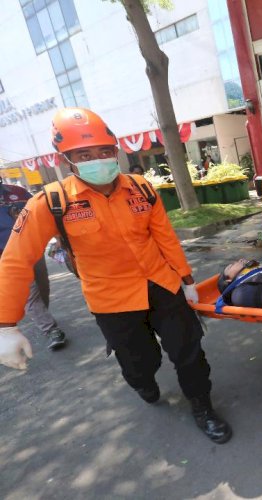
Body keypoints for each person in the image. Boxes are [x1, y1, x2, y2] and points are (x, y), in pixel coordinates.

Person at [0, 108, 232, 444]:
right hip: (111, 300)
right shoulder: (50, 201)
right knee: (141, 363)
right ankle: (142, 381)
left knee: (190, 352)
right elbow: (16, 260)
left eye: (104, 151)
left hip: (162, 285)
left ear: (115, 151)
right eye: (85, 154)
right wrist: (6, 325)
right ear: (67, 160)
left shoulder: (141, 188)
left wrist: (187, 279)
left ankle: (203, 407)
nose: (98, 159)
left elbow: (164, 236)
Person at [0, 178, 66, 351]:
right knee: (31, 292)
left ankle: (42, 315)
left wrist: (58, 236)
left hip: (32, 249)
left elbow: (44, 212)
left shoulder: (19, 192)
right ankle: (51, 329)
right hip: (7, 256)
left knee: (43, 286)